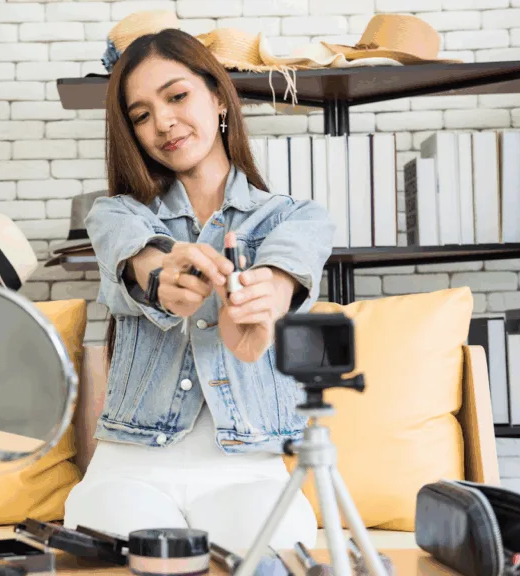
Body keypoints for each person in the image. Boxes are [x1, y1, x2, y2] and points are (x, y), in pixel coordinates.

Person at [62, 28, 336, 553]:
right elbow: (139, 257)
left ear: (218, 96)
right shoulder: (114, 214)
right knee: (115, 542)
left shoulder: (298, 217)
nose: (163, 122)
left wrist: (264, 298)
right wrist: (162, 276)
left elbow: (284, 273)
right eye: (141, 115)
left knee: (279, 542)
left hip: (249, 468)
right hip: (130, 467)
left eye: (177, 96)